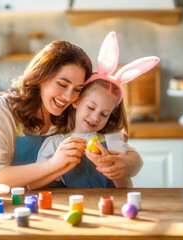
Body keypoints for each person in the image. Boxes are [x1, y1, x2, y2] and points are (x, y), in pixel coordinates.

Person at [0, 37, 144, 188]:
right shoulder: (2, 110)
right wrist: (52, 165)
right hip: (14, 207)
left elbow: (121, 148)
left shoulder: (73, 109)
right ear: (40, 76)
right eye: (62, 84)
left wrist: (130, 164)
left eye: (77, 89)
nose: (68, 96)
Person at [28, 31, 160, 189]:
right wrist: (58, 165)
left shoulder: (112, 140)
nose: (95, 117)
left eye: (104, 114)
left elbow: (126, 187)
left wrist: (112, 169)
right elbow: (33, 184)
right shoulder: (56, 143)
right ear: (76, 101)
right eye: (91, 107)